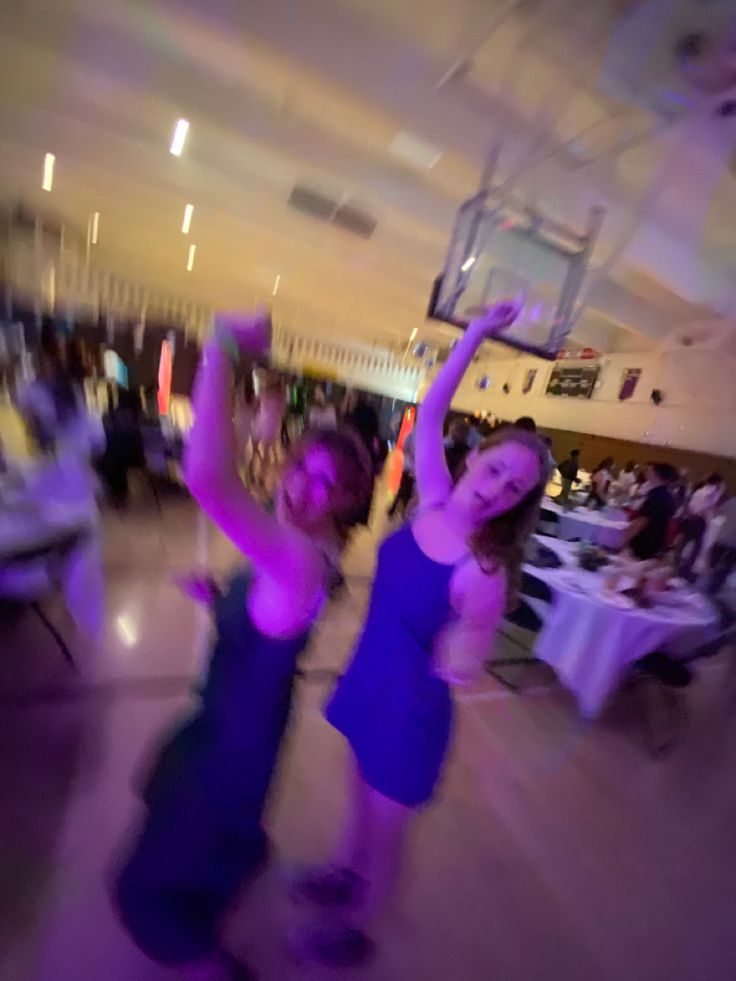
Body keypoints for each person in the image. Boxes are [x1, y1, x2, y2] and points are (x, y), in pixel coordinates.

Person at [113, 311, 373, 981]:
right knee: (194, 838)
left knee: (152, 883)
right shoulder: (304, 552)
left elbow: (205, 473)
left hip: (230, 737)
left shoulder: (298, 559)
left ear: (346, 505)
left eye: (326, 485)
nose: (299, 487)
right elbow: (267, 618)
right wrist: (219, 598)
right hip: (243, 722)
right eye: (301, 468)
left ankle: (210, 964)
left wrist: (224, 344)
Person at [292, 302, 548, 966]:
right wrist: (479, 333)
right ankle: (341, 877)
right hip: (370, 677)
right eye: (495, 469)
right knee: (357, 801)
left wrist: (463, 656)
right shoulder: (434, 495)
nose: (498, 489)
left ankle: (359, 926)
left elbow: (470, 658)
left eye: (516, 487)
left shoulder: (483, 569)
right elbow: (431, 411)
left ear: (520, 502)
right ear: (474, 460)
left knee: (385, 830)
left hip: (410, 711)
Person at [621, 463, 679, 561]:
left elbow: (642, 522)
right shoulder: (667, 495)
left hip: (644, 541)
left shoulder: (656, 496)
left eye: (650, 470)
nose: (647, 472)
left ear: (656, 474)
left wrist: (622, 542)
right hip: (656, 540)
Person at [677, 472, 725, 580]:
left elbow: (690, 505)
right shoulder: (714, 492)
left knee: (684, 543)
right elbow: (710, 507)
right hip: (700, 520)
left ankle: (676, 566)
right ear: (718, 482)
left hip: (691, 518)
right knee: (697, 547)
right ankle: (686, 570)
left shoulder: (700, 490)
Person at [706, 494, 736, 595]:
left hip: (722, 538)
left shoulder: (732, 501)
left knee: (712, 562)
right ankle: (713, 589)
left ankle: (706, 583)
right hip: (733, 544)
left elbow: (717, 514)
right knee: (726, 568)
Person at [386, 427, 415, 519]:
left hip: (408, 467)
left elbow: (403, 447)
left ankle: (395, 509)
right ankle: (401, 510)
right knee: (406, 490)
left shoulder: (412, 433)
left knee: (403, 489)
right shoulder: (421, 435)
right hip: (411, 467)